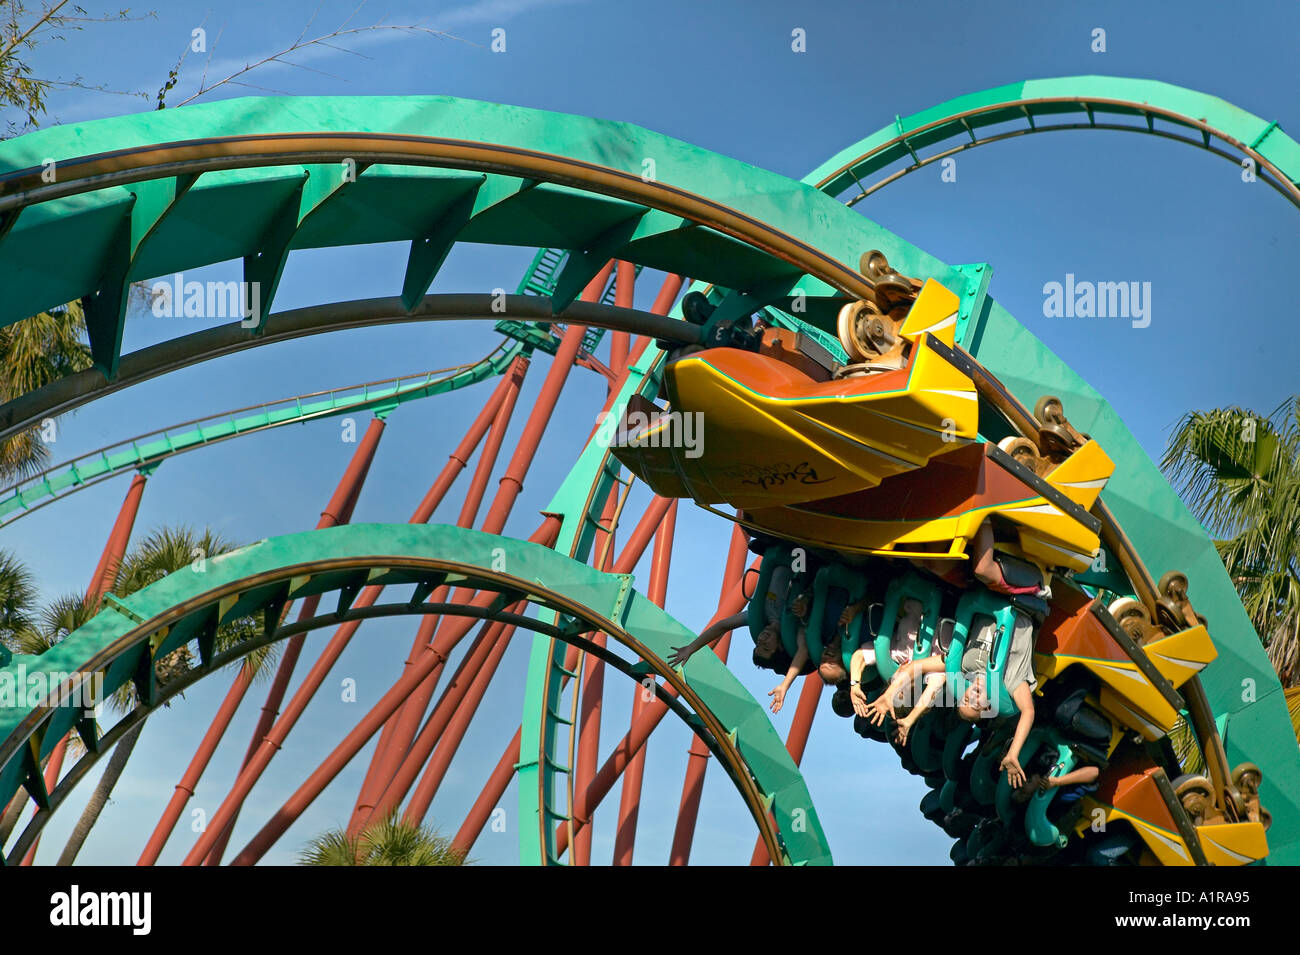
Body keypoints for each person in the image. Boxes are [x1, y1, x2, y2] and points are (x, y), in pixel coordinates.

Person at [851, 597, 924, 724]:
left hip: (911, 594)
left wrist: (854, 685)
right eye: (901, 692)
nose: (898, 686)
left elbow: (860, 656)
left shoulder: (895, 656)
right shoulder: (930, 671)